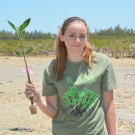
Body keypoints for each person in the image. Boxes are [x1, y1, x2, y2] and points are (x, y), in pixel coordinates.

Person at [25, 17, 117, 135]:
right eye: (72, 35)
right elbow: (53, 112)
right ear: (62, 36)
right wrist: (37, 99)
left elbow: (108, 104)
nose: (77, 40)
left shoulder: (102, 63)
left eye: (82, 36)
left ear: (87, 37)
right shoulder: (52, 69)